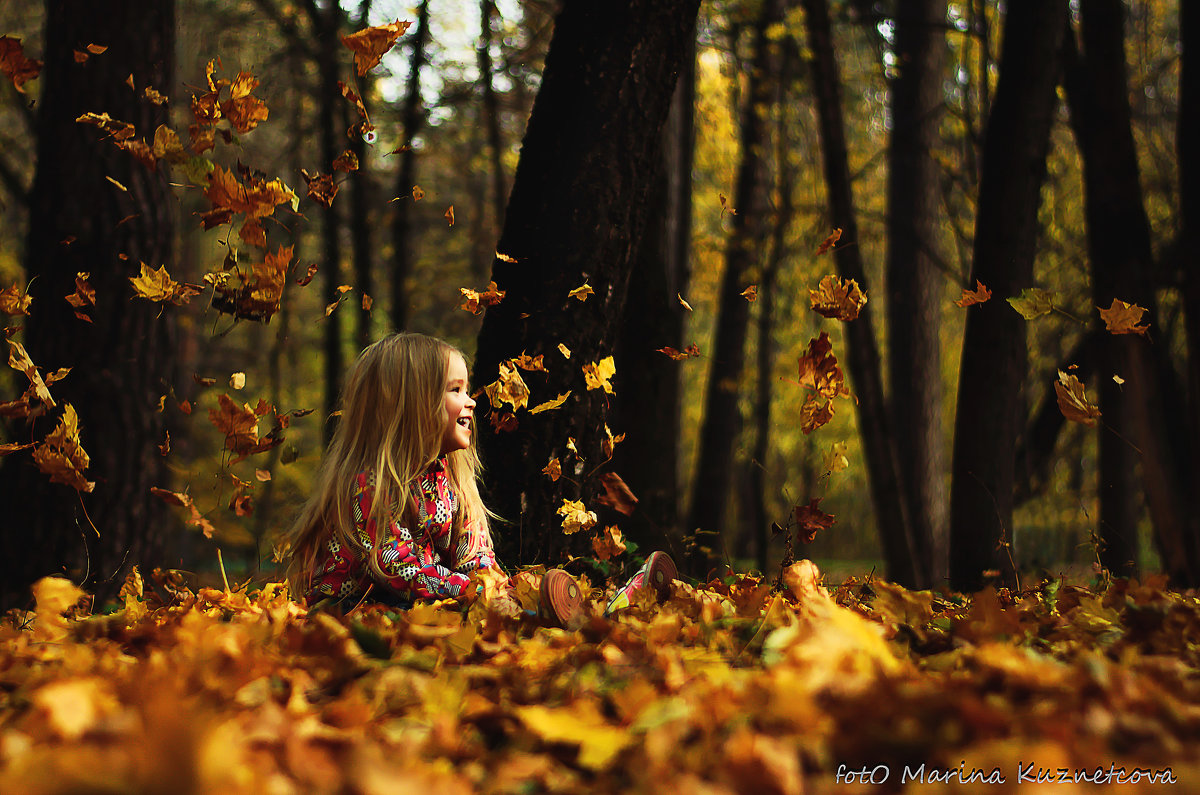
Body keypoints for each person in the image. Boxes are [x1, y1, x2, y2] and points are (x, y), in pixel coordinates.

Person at [281, 332, 674, 626]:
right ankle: (576, 620)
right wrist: (469, 590)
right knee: (452, 615)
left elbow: (475, 555)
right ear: (410, 405)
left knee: (507, 602)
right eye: (455, 390)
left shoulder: (449, 483)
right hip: (354, 612)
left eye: (467, 389)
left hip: (419, 600)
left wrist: (494, 583)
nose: (470, 401)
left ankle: (607, 613)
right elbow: (393, 564)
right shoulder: (372, 484)